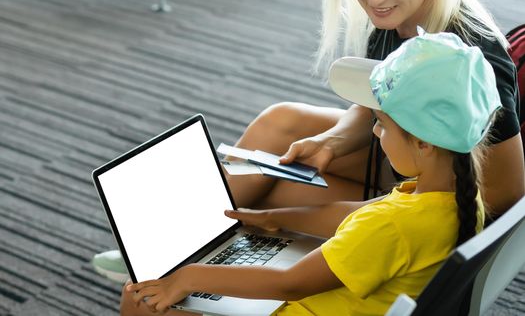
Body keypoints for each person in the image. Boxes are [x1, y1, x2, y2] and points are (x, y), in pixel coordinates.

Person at [93, 0, 524, 283]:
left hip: (457, 202)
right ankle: (169, 253)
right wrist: (333, 142)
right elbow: (381, 101)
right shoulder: (400, 20)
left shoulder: (473, 52)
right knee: (280, 124)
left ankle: (175, 263)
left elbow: (507, 195)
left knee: (268, 193)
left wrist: (398, 208)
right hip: (421, 160)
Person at [120, 30, 498, 316]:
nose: (376, 133)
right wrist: (272, 218)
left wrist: (189, 277)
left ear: (423, 142)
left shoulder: (394, 226)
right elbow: (352, 214)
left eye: (381, 123)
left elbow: (292, 282)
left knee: (137, 301)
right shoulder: (454, 198)